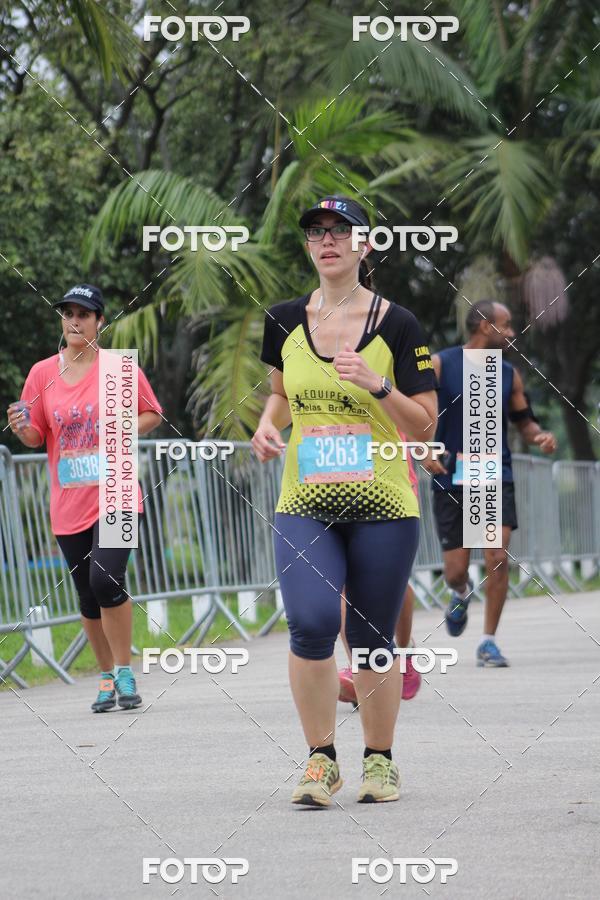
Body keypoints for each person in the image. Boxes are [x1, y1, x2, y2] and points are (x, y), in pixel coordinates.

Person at [252, 196, 437, 806]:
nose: (327, 240)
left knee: (371, 636)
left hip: (384, 502)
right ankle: (321, 760)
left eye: (340, 230)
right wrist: (268, 425)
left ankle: (380, 761)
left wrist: (377, 385)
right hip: (305, 499)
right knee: (309, 623)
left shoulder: (399, 324)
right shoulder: (283, 319)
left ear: (365, 244)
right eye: (316, 231)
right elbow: (282, 392)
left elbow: (425, 427)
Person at [7, 284, 162, 712]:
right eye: (68, 314)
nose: (74, 321)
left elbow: (152, 413)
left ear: (99, 322)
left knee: (106, 579)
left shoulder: (118, 369)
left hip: (119, 493)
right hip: (69, 501)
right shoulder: (42, 374)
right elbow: (36, 434)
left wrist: (121, 428)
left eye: (84, 314)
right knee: (87, 595)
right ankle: (106, 676)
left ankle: (125, 670)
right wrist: (22, 429)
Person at [425, 299, 557, 667]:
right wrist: (424, 446)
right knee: (455, 570)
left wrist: (539, 436)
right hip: (451, 475)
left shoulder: (509, 373)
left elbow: (524, 422)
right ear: (486, 326)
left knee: (497, 557)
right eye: (507, 324)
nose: (512, 332)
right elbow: (420, 412)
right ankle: (461, 592)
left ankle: (488, 642)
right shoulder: (441, 364)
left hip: (493, 473)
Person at [338, 435, 423, 705]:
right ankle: (360, 668)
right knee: (342, 580)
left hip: (390, 473)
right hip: (334, 474)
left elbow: (422, 419)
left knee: (391, 580)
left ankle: (404, 653)